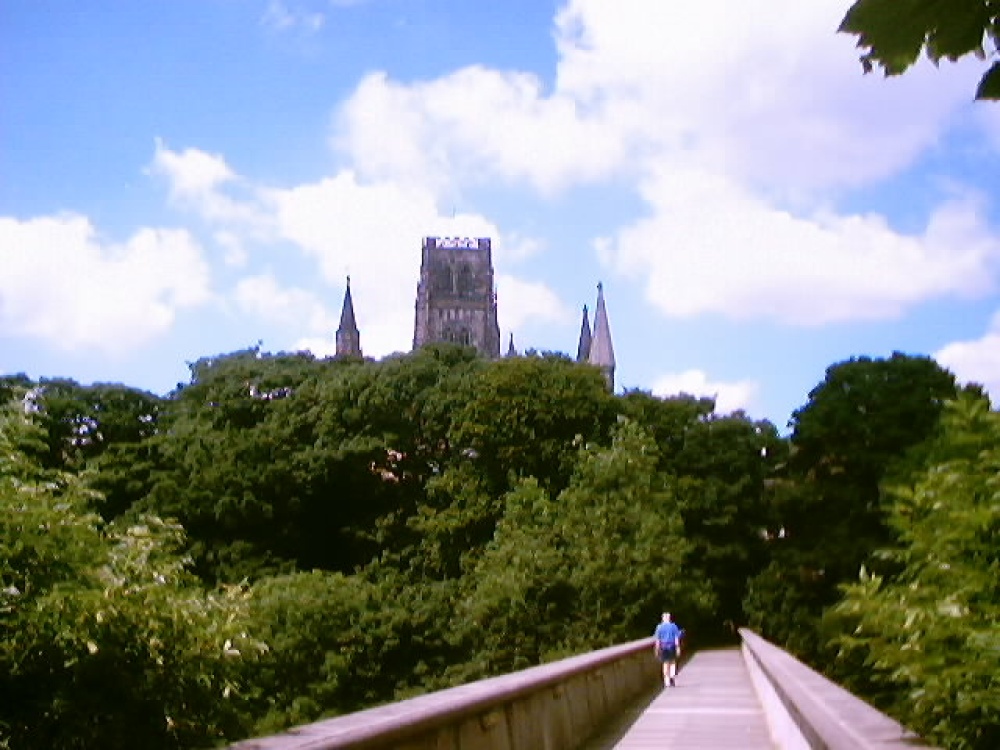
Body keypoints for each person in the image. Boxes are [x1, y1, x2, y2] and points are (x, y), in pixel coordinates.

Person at [653, 612, 682, 687]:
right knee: (672, 662)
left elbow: (658, 640)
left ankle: (667, 681)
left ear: (663, 619)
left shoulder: (659, 627)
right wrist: (678, 647)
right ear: (669, 618)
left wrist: (657, 649)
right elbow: (676, 638)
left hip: (664, 647)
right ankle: (672, 676)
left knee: (665, 664)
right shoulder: (674, 626)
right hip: (672, 646)